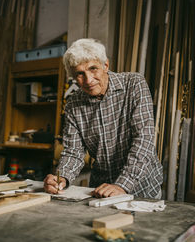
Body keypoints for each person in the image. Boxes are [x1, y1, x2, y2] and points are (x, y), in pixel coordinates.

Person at [44, 38, 163, 199]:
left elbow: (143, 140)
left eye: (93, 69)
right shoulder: (73, 104)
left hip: (141, 186)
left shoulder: (134, 84)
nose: (88, 80)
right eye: (80, 73)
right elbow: (74, 151)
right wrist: (61, 178)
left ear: (105, 65)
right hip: (101, 188)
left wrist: (122, 185)